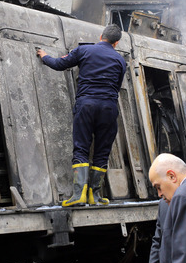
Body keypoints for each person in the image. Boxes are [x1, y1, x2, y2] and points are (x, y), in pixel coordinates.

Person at [37, 24, 127, 206]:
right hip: (109, 107)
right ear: (116, 43)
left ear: (101, 36)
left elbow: (58, 64)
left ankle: (79, 196)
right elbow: (117, 86)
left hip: (86, 105)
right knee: (102, 151)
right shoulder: (120, 61)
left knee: (81, 148)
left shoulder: (84, 50)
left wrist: (44, 55)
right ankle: (96, 195)